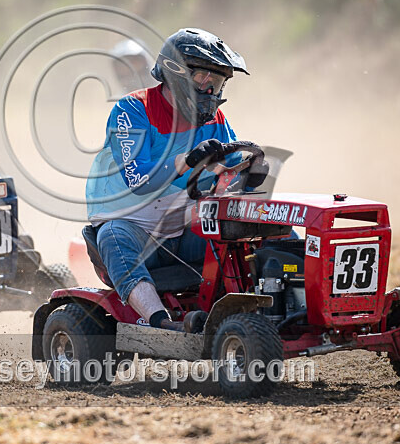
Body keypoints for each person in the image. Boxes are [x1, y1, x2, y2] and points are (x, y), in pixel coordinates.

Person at [86, 28, 267, 332]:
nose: (210, 90)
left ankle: (286, 305)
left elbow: (235, 166)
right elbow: (139, 180)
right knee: (112, 236)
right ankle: (162, 323)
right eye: (202, 79)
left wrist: (255, 173)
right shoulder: (133, 110)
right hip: (132, 229)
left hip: (183, 229)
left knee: (252, 224)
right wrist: (185, 161)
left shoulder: (215, 120)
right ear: (177, 74)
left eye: (217, 82)